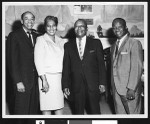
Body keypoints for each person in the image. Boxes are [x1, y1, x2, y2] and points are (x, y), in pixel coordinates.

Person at [62, 19, 107, 114]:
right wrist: (65, 85)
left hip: (93, 84)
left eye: (82, 26)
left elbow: (101, 65)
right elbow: (66, 67)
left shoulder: (96, 43)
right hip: (76, 85)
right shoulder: (67, 45)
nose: (79, 28)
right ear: (74, 29)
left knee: (95, 111)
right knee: (78, 112)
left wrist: (102, 82)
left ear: (86, 28)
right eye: (76, 26)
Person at [6, 11, 39, 114]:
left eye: (32, 19)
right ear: (21, 21)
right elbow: (12, 60)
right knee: (21, 111)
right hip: (22, 82)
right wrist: (18, 81)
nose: (29, 21)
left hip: (34, 82)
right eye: (26, 18)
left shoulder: (36, 35)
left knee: (33, 111)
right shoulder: (14, 35)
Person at [111, 18, 143, 114]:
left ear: (126, 28)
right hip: (116, 89)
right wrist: (112, 86)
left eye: (120, 27)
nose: (117, 30)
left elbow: (136, 67)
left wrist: (132, 88)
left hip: (129, 90)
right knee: (120, 116)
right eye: (114, 28)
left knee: (133, 116)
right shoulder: (113, 46)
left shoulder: (134, 43)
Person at [34, 16, 66, 115]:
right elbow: (38, 61)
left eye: (53, 26)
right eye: (48, 26)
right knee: (46, 107)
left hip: (59, 78)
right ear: (45, 27)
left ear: (56, 27)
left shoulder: (61, 40)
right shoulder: (41, 39)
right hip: (46, 77)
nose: (51, 28)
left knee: (59, 107)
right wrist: (44, 80)